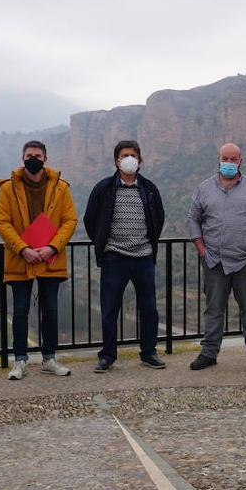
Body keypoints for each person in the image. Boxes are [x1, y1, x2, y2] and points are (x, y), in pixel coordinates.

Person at [186, 143, 246, 371]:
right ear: (218, 160)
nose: (228, 163)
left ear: (240, 161)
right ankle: (208, 354)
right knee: (214, 309)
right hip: (214, 261)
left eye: (233, 159)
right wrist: (201, 249)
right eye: (225, 159)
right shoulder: (204, 188)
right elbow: (193, 218)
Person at [0, 140, 78, 379]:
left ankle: (49, 359)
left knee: (50, 310)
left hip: (51, 259)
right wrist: (23, 249)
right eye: (29, 155)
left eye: (38, 155)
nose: (33, 159)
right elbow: (2, 222)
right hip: (19, 259)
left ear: (45, 158)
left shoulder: (60, 187)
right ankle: (19, 361)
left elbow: (70, 220)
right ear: (22, 158)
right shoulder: (8, 188)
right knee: (20, 311)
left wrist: (52, 247)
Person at [83, 140, 167, 373]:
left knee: (149, 308)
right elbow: (90, 219)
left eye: (133, 155)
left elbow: (159, 218)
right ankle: (107, 356)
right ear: (116, 161)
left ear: (140, 160)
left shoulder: (149, 188)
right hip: (114, 257)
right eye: (124, 155)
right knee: (110, 310)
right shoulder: (103, 188)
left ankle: (149, 353)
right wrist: (104, 243)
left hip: (144, 257)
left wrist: (148, 242)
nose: (129, 159)